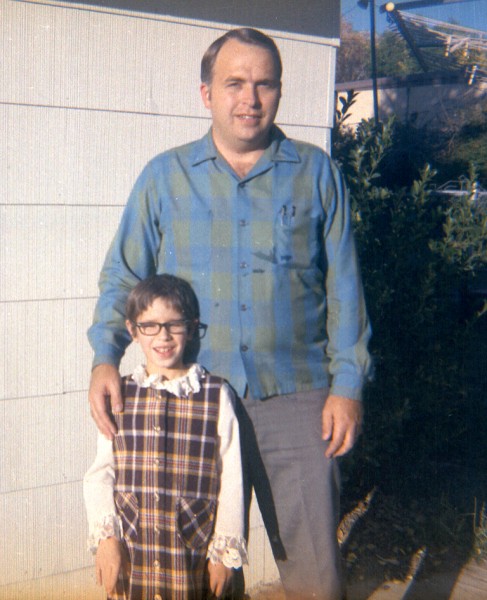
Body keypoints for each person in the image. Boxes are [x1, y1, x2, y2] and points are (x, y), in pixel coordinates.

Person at [88, 27, 372, 600]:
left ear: (280, 92)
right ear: (206, 94)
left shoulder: (317, 174)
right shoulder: (164, 178)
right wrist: (103, 358)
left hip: (296, 400)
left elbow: (344, 287)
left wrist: (348, 384)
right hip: (191, 401)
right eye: (235, 83)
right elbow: (123, 274)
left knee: (317, 573)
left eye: (265, 84)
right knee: (204, 575)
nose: (251, 98)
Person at [84, 274, 247, 599]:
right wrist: (107, 540)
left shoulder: (215, 394)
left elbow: (232, 478)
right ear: (133, 330)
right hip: (134, 553)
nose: (163, 336)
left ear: (190, 327)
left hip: (192, 552)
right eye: (150, 326)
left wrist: (224, 552)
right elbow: (101, 473)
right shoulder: (120, 394)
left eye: (174, 324)